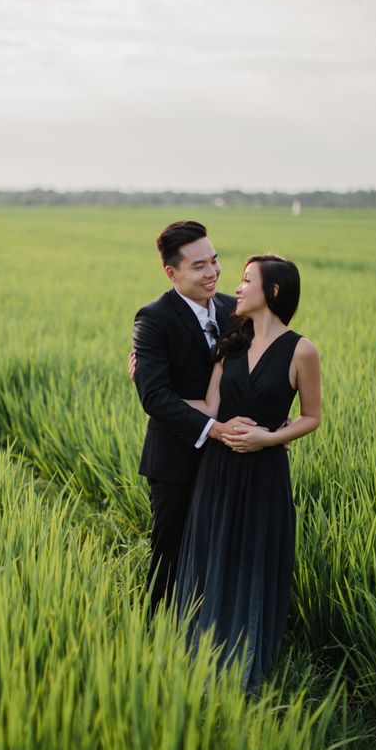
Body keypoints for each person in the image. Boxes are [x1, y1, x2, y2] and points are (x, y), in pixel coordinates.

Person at [176, 254, 321, 691]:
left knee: (252, 559)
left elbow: (311, 417)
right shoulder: (233, 342)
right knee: (214, 552)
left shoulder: (302, 350)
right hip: (218, 470)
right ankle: (199, 653)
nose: (235, 288)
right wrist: (148, 384)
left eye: (245, 280)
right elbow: (211, 408)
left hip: (264, 473)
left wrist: (268, 439)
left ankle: (245, 657)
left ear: (273, 291)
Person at [132, 221, 255, 616]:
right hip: (175, 458)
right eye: (200, 266)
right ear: (172, 273)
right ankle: (154, 631)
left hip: (230, 458)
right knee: (169, 550)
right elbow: (155, 397)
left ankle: (211, 625)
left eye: (215, 261)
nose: (213, 272)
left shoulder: (233, 309)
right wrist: (215, 429)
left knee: (222, 545)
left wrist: (277, 422)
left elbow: (258, 371)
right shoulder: (153, 318)